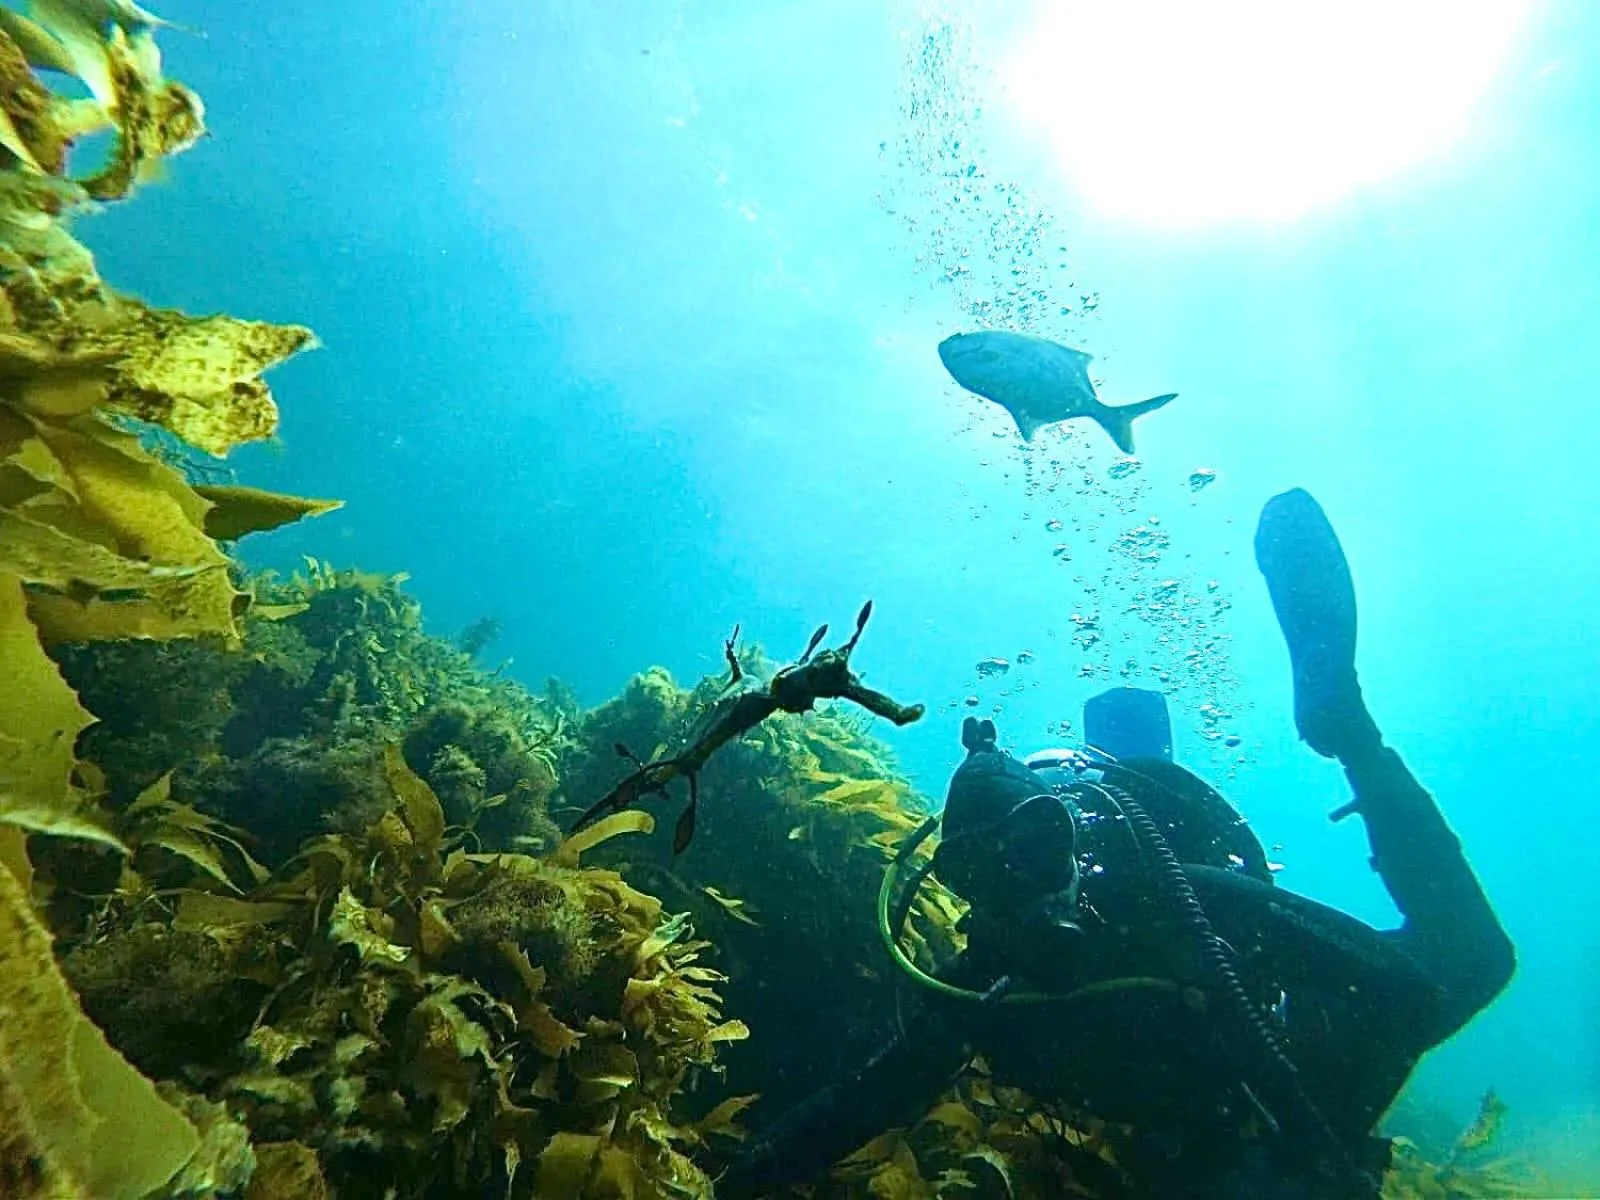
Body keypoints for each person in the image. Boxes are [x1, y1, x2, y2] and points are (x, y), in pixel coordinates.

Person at [717, 488, 1514, 1199]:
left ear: (1072, 836)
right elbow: (865, 1103)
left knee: (1474, 961)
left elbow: (1407, 997)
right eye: (982, 872)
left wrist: (1303, 1144)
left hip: (1290, 1045)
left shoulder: (1176, 899)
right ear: (956, 883)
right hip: (1208, 1120)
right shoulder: (984, 987)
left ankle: (1351, 734)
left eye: (1035, 845)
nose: (1018, 883)